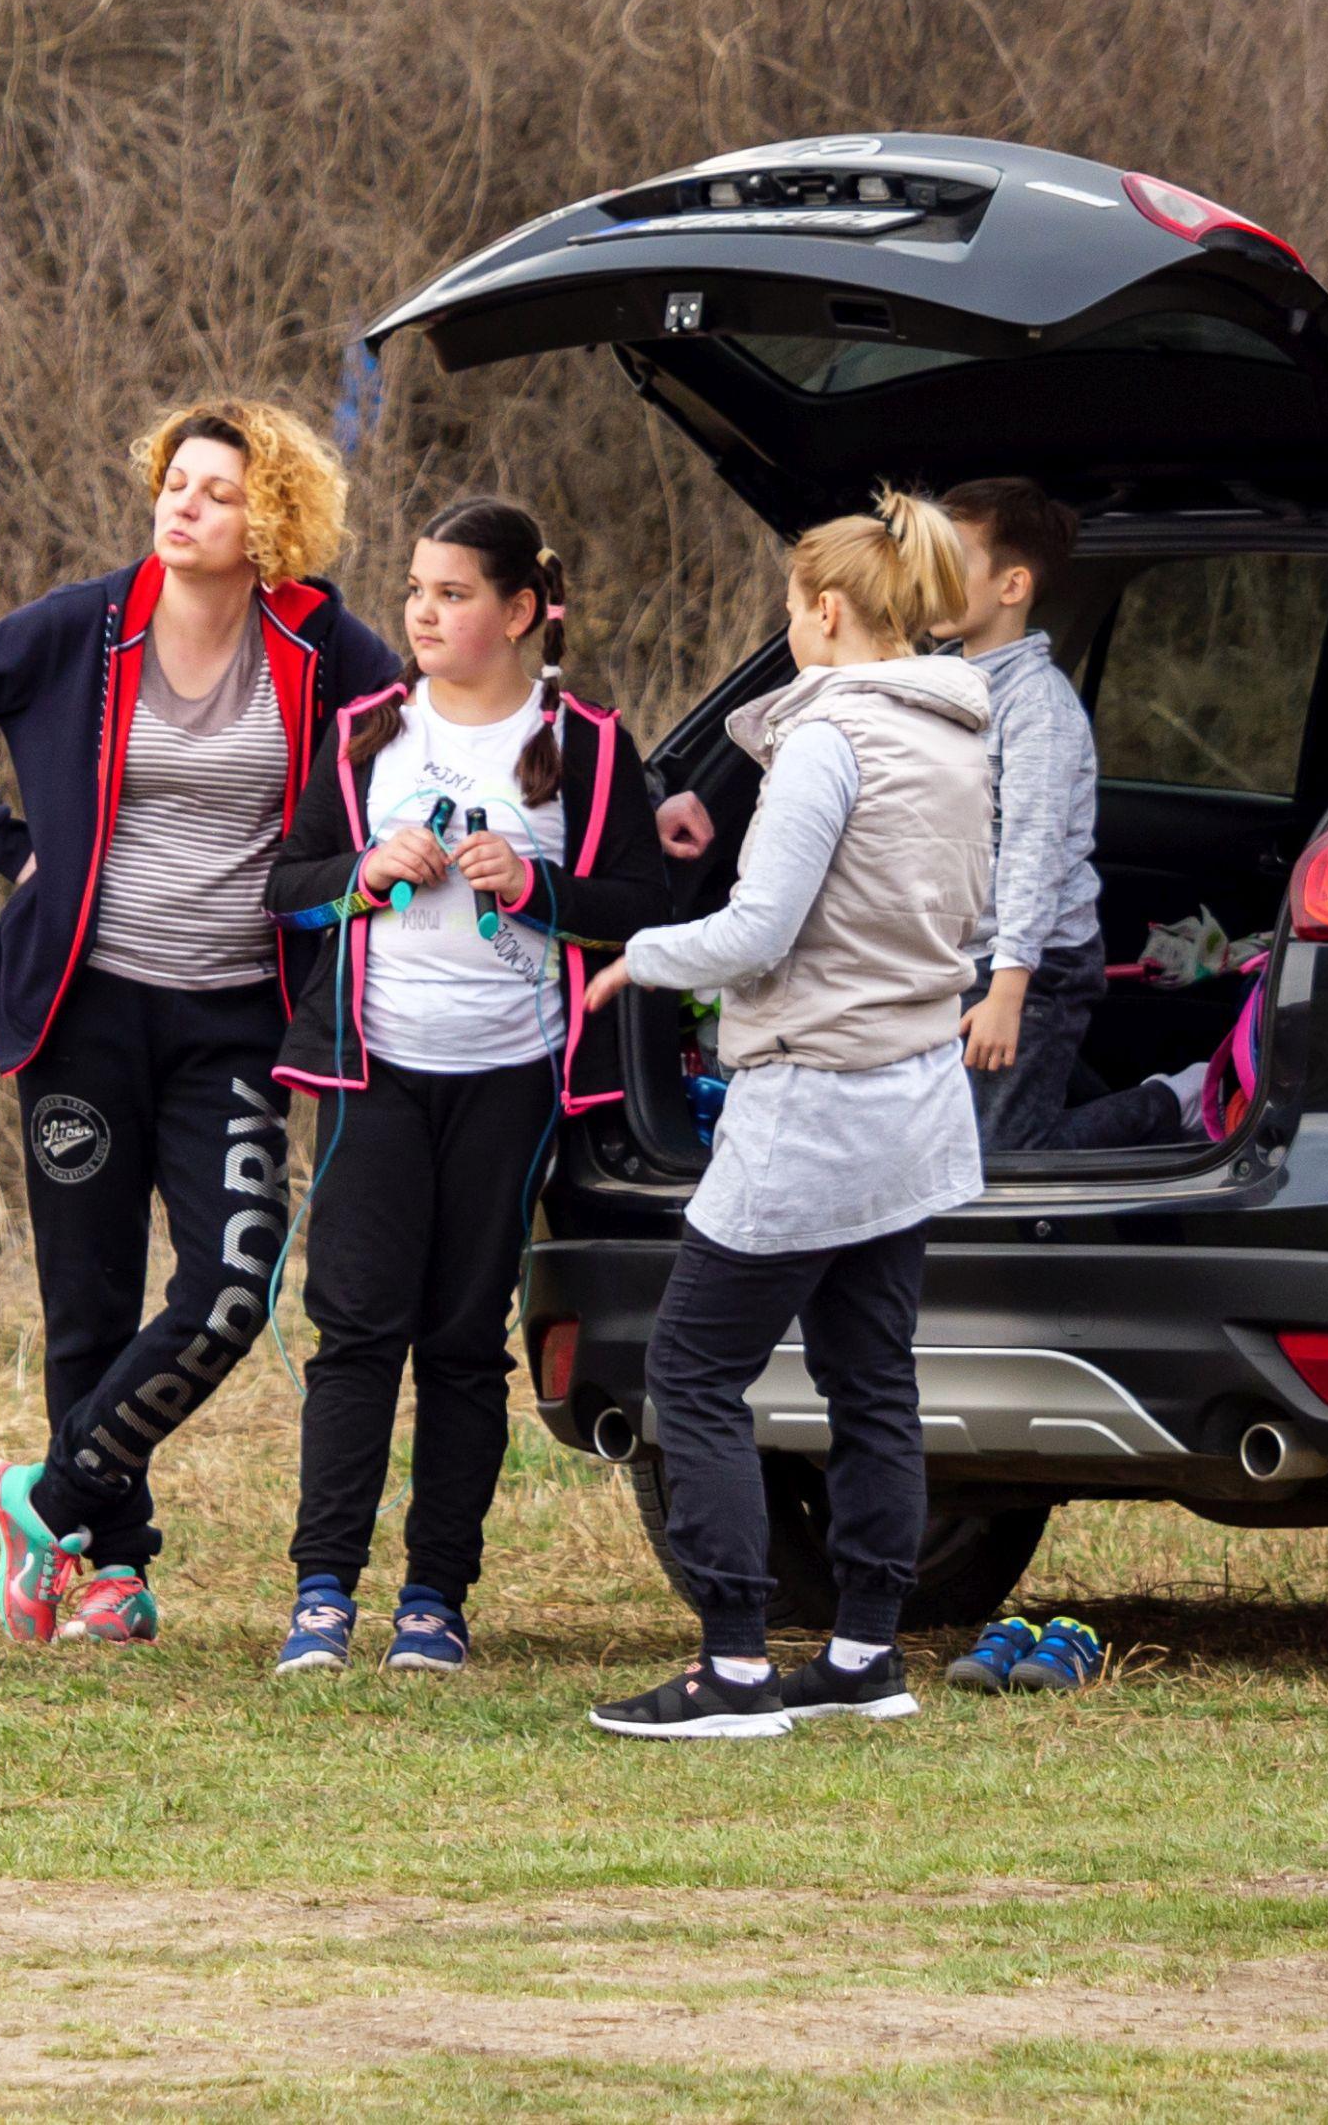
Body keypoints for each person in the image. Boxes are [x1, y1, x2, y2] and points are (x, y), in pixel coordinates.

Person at [0, 398, 395, 1647]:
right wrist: (10, 847)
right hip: (83, 1013)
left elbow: (441, 725)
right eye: (175, 480)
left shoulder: (322, 647)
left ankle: (38, 1501)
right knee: (88, 1297)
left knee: (230, 1286)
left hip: (234, 1024)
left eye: (215, 489)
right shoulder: (86, 623)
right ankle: (105, 1565)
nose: (183, 503)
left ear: (270, 517)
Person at [576, 490, 992, 1738]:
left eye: (789, 607)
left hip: (814, 1103)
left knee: (691, 1372)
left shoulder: (829, 741)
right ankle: (866, 1652)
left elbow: (759, 931)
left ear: (822, 609)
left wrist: (636, 954)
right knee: (873, 1379)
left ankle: (735, 1666)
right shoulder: (963, 734)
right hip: (915, 1101)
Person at [259, 498, 665, 1675]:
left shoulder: (584, 742)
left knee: (460, 1341)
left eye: (452, 593)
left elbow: (643, 907)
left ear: (521, 611)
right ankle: (322, 1594)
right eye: (416, 590)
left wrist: (538, 886)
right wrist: (363, 868)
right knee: (355, 1334)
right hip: (375, 1073)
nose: (423, 612)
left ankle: (435, 1596)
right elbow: (286, 887)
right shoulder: (364, 732)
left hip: (513, 1078)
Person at [935, 477, 1106, 1153]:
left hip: (1034, 965)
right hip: (964, 954)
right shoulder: (939, 680)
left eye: (951, 565)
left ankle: (1168, 1105)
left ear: (1011, 587)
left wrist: (1009, 990)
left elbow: (1033, 852)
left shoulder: (1037, 704)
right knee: (964, 1137)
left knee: (1004, 1156)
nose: (931, 581)